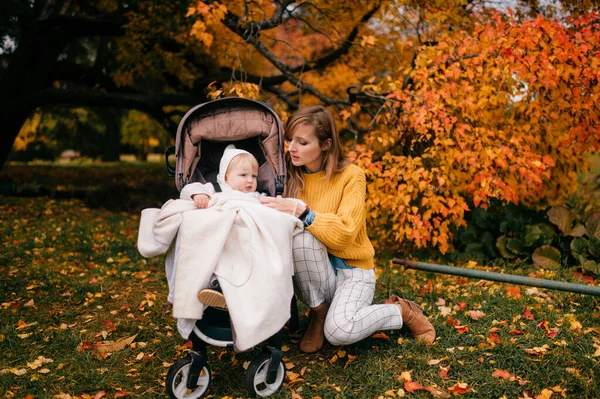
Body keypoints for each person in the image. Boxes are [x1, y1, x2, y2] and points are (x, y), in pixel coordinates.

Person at [260, 105, 436, 353]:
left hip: (353, 270)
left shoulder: (352, 176)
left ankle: (401, 311)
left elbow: (344, 235)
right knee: (299, 237)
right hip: (316, 275)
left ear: (325, 144)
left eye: (302, 142)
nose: (291, 148)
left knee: (340, 332)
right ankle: (318, 314)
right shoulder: (287, 178)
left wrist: (302, 212)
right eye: (289, 140)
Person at [179, 144, 264, 309]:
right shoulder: (215, 190)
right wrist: (198, 194)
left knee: (248, 260)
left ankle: (239, 289)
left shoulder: (256, 196)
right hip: (221, 237)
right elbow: (188, 188)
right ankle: (217, 287)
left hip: (245, 239)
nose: (250, 180)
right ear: (225, 177)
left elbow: (268, 210)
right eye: (243, 175)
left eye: (254, 176)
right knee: (213, 256)